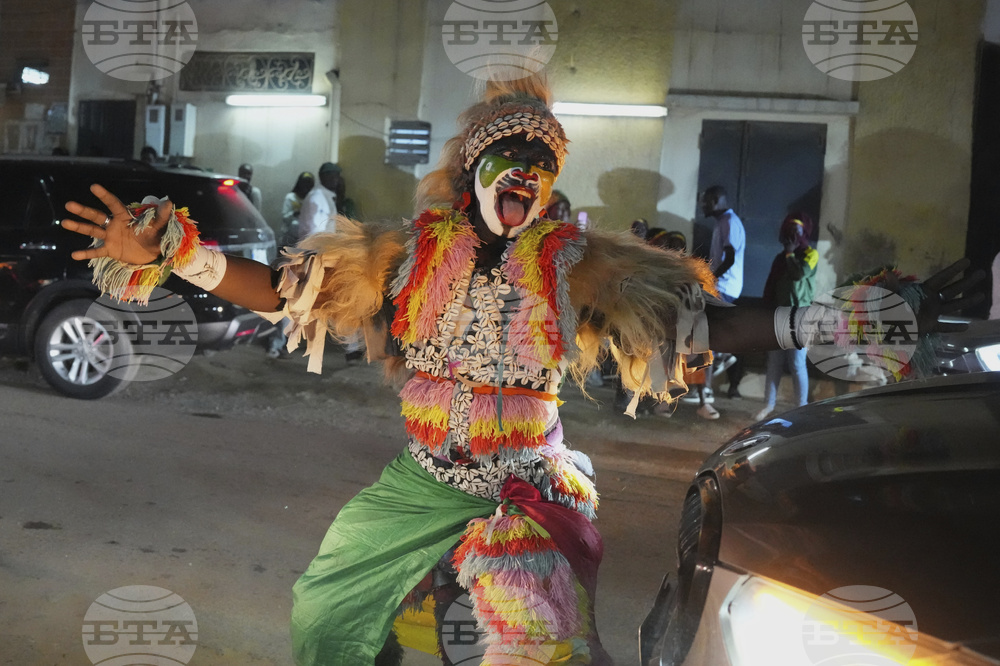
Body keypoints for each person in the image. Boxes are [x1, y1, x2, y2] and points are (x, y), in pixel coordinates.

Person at [59, 71, 980, 666]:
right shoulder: (401, 255)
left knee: (538, 638)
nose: (528, 174)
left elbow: (697, 320)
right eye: (512, 157)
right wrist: (175, 251)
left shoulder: (580, 265)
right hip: (421, 480)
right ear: (475, 169)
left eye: (543, 164)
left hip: (524, 485)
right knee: (324, 615)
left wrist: (817, 320)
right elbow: (282, 291)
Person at [754, 213, 819, 422]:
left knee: (797, 364)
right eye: (789, 231)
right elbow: (770, 287)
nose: (792, 235)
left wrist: (790, 254)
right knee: (774, 362)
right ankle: (768, 405)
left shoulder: (811, 254)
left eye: (796, 231)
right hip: (778, 316)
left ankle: (801, 408)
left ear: (803, 233)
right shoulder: (779, 258)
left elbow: (799, 274)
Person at [702, 185, 746, 399]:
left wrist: (712, 278)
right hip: (721, 286)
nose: (702, 206)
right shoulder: (722, 222)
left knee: (707, 336)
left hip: (724, 286)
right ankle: (723, 355)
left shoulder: (729, 221)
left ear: (716, 200)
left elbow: (730, 257)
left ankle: (706, 389)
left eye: (705, 201)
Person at [298, 162, 341, 239]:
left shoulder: (325, 195)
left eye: (337, 175)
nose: (335, 179)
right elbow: (316, 231)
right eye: (330, 175)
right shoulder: (318, 197)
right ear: (321, 176)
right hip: (316, 245)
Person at [280, 171, 315, 248]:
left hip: (306, 239)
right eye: (304, 183)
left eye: (309, 184)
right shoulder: (290, 197)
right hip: (290, 238)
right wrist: (295, 213)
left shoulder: (313, 199)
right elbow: (284, 218)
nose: (306, 186)